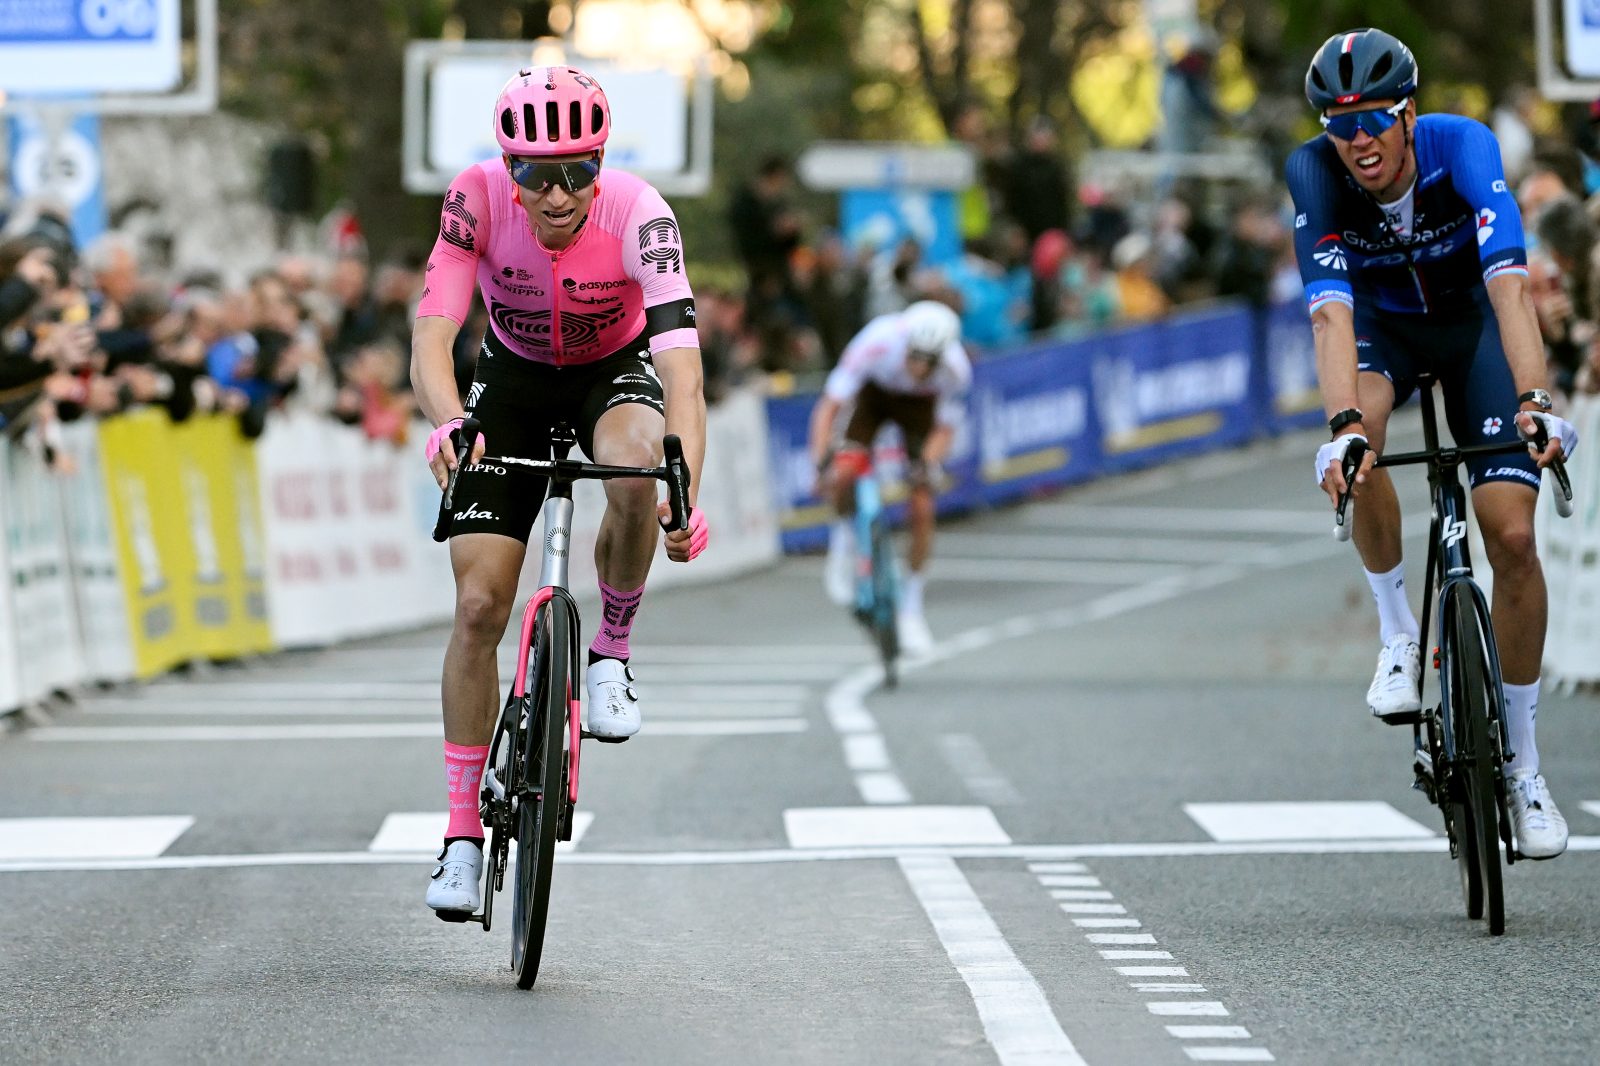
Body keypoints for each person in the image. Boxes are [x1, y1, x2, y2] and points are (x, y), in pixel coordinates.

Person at [410, 65, 709, 918]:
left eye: (577, 171)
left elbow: (684, 375)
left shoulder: (641, 213)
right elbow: (432, 337)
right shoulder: (473, 198)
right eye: (536, 174)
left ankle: (611, 652)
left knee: (636, 463)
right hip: (509, 380)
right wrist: (447, 421)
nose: (556, 193)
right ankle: (461, 838)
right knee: (478, 607)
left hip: (611, 373)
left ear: (600, 163)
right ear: (508, 168)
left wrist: (684, 491)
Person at [1288, 29, 1578, 860]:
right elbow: (1330, 315)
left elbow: (1510, 289)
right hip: (1381, 332)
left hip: (1472, 329)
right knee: (1361, 442)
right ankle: (1399, 636)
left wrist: (1535, 401)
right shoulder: (1314, 173)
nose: (1358, 141)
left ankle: (1523, 767)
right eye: (1340, 126)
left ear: (1408, 114)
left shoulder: (1464, 147)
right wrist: (1342, 429)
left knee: (1511, 537)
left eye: (1374, 120)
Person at [808, 300, 970, 655]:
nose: (919, 366)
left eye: (929, 361)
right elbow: (829, 406)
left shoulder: (956, 370)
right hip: (873, 397)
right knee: (844, 470)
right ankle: (843, 540)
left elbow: (945, 429)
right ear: (904, 344)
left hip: (921, 408)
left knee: (923, 503)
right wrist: (820, 464)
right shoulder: (877, 342)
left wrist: (927, 464)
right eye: (915, 356)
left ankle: (911, 608)